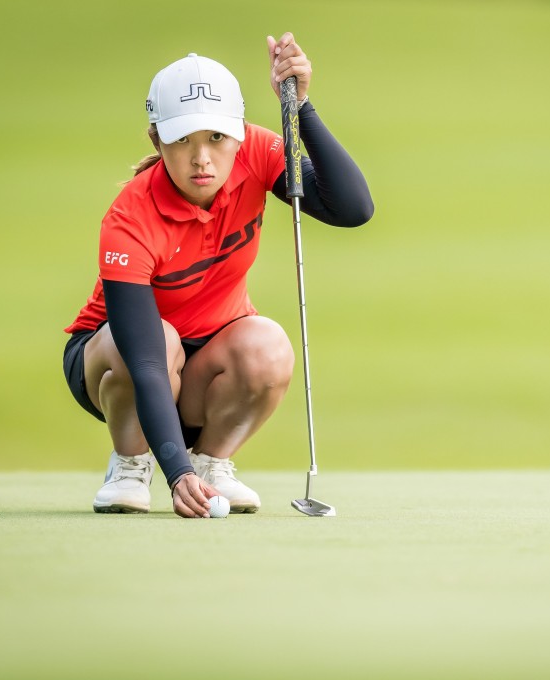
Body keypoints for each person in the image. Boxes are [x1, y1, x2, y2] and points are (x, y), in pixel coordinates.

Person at [62, 33, 373, 518]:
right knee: (160, 341)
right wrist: (173, 471)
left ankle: (209, 465)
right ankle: (130, 463)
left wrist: (302, 111)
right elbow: (146, 363)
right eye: (182, 140)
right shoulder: (129, 219)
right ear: (155, 138)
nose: (202, 157)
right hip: (118, 363)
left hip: (210, 358)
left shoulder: (260, 153)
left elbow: (353, 208)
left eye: (216, 138)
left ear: (239, 135)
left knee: (268, 345)